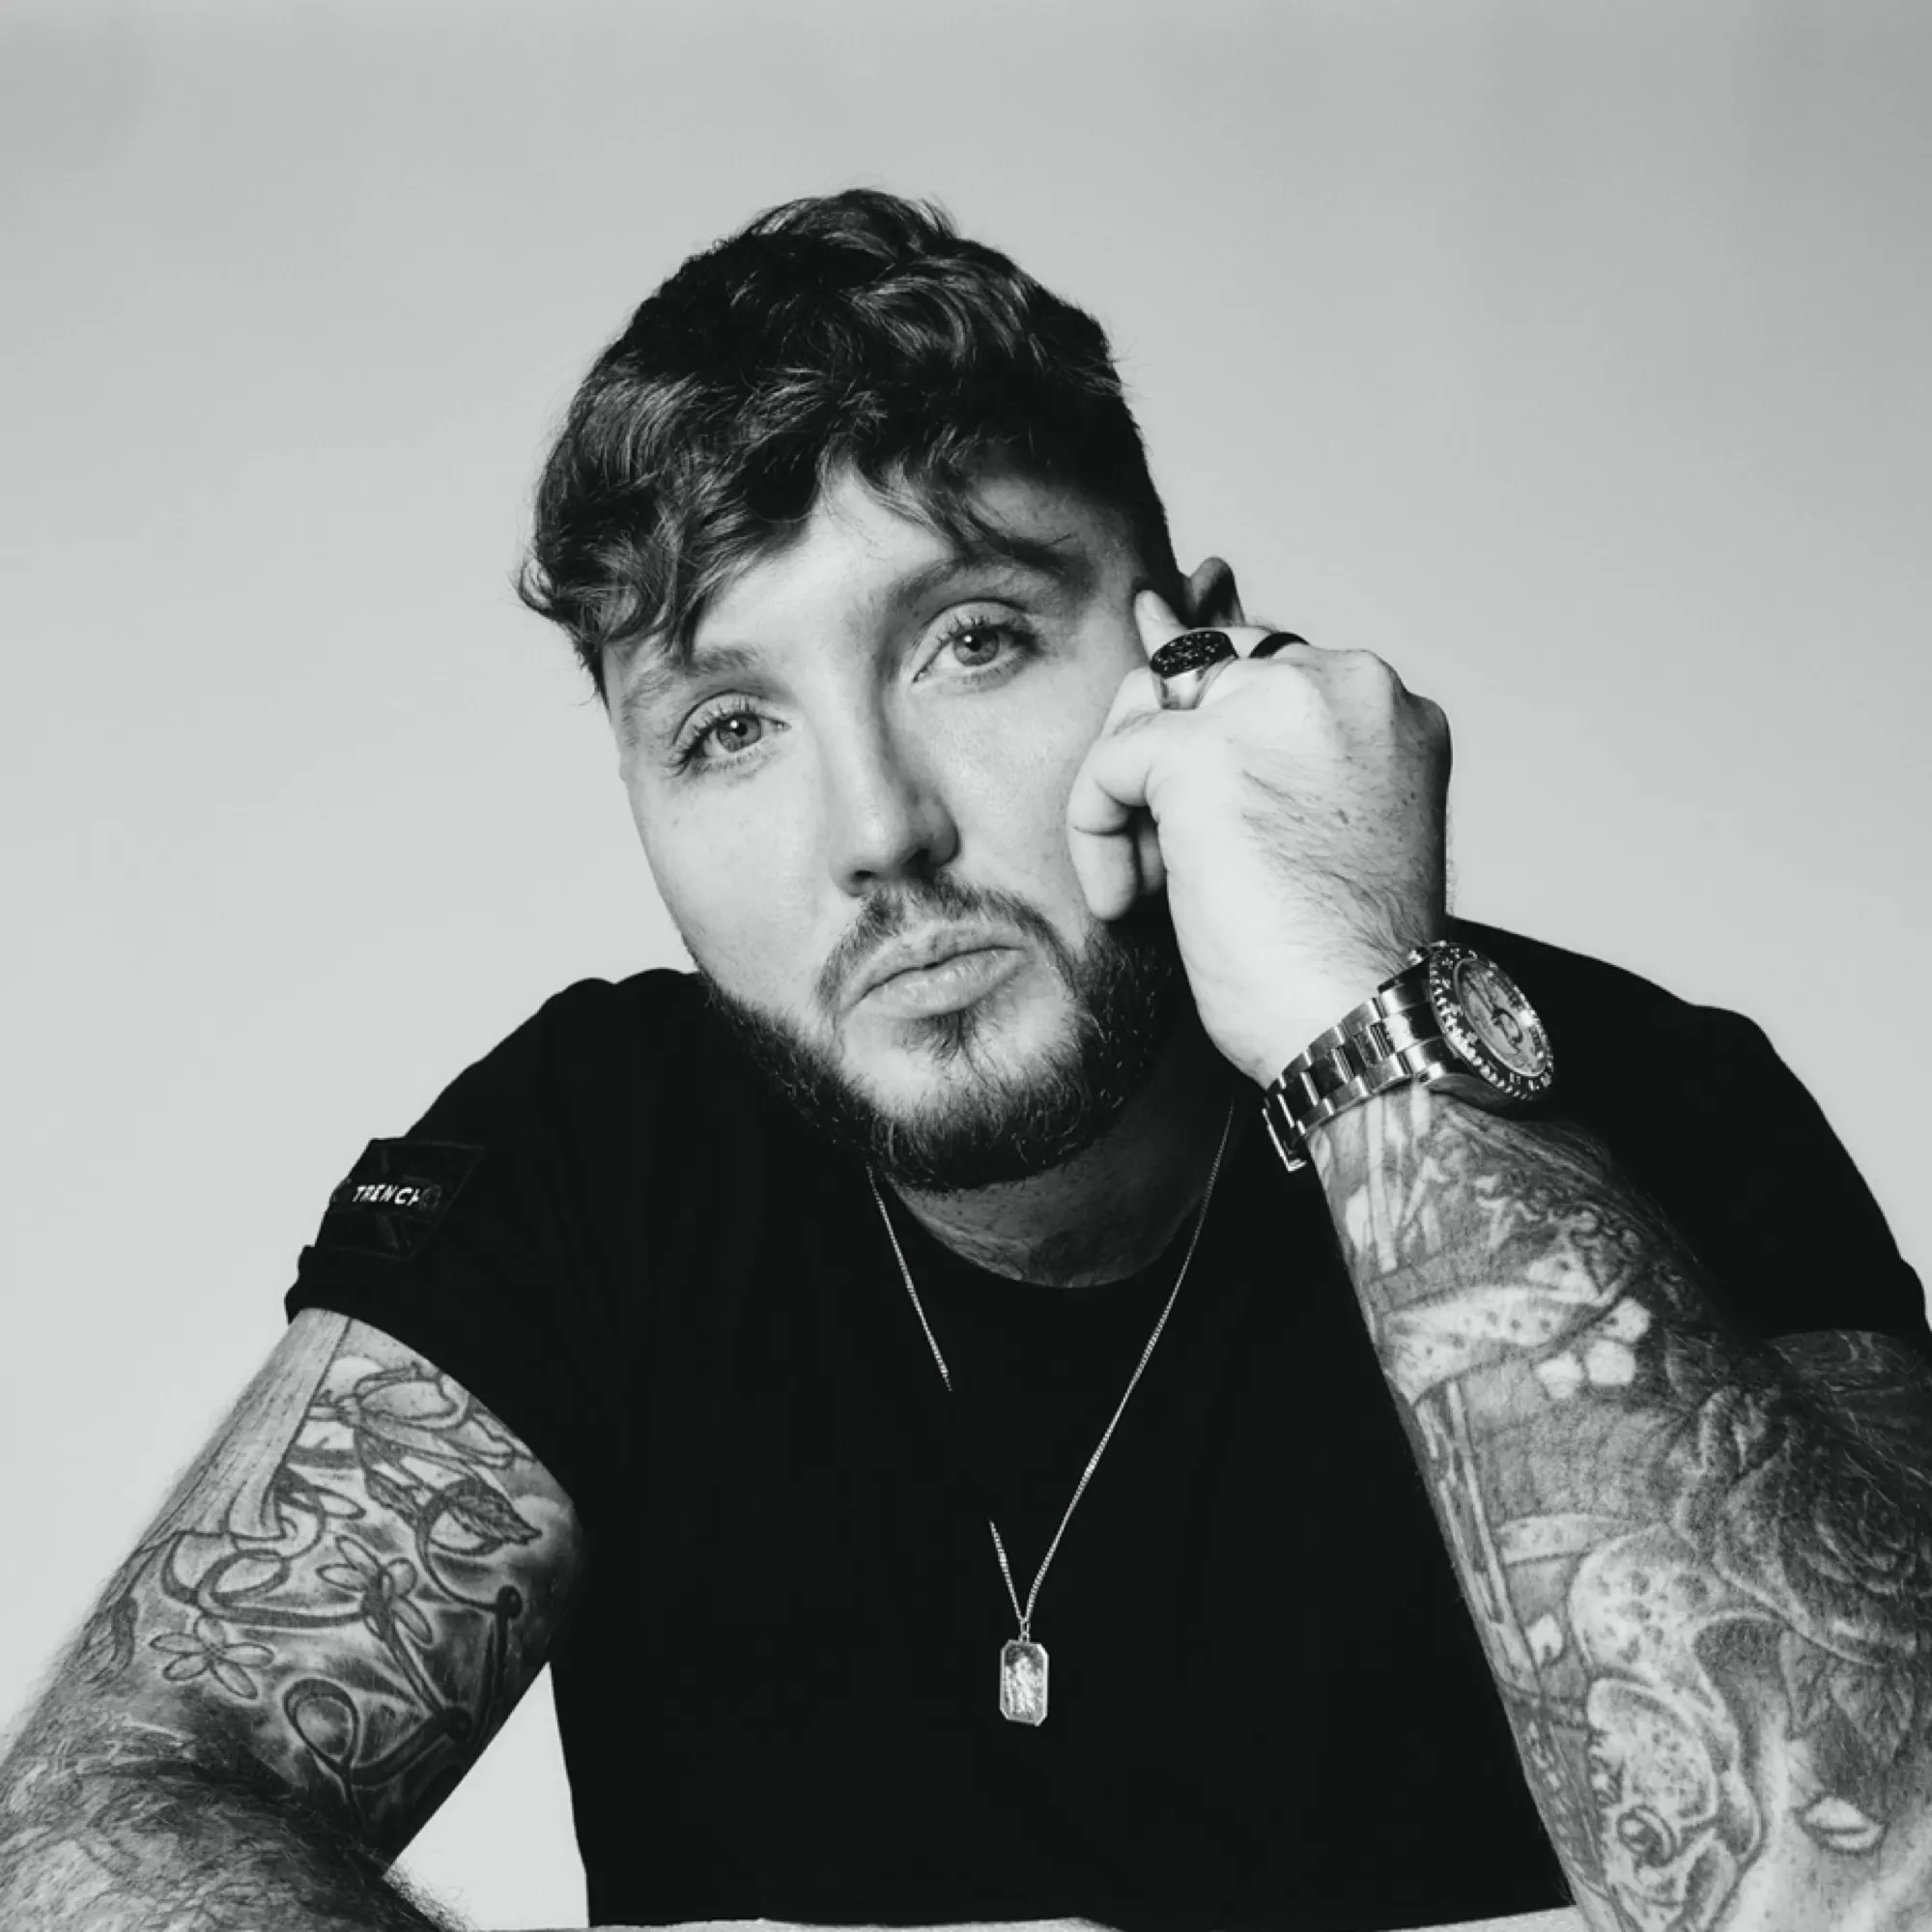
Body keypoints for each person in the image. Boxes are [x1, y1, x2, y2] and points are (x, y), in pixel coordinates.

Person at [2, 188, 1928, 1932]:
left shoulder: (1647, 1110)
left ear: (1195, 659)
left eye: (974, 642)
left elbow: (1866, 1880)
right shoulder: (601, 1161)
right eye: (728, 728)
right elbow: (93, 1832)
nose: (878, 830)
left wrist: (1367, 1017)